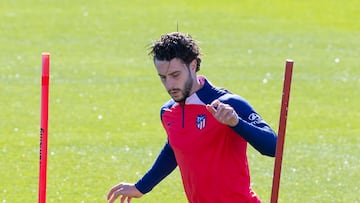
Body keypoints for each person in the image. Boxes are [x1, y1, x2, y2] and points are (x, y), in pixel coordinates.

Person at [107, 32, 277, 203]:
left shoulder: (228, 104)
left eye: (175, 75)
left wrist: (236, 123)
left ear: (193, 65)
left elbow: (274, 147)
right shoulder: (168, 112)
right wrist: (141, 187)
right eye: (163, 78)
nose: (170, 85)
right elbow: (174, 148)